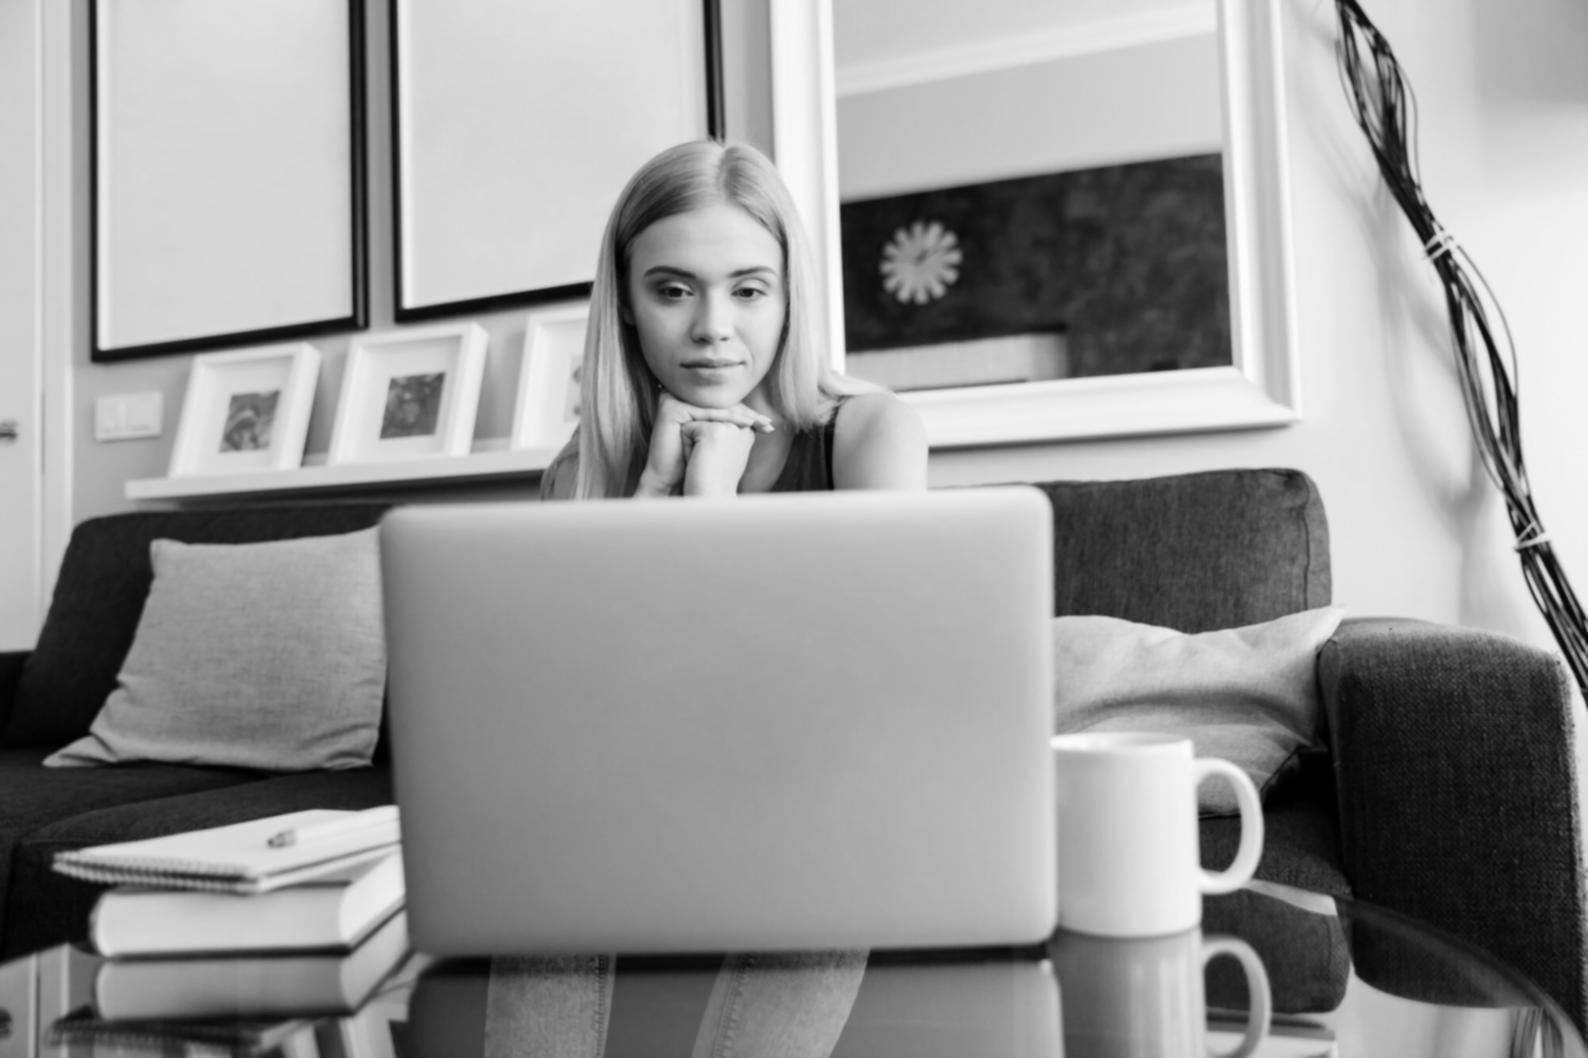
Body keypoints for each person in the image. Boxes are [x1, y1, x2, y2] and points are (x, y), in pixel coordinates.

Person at [539, 139, 926, 500]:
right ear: (625, 301)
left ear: (789, 298)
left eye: (747, 291)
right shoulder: (584, 468)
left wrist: (710, 498)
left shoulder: (876, 432)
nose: (712, 329)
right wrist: (655, 488)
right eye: (674, 291)